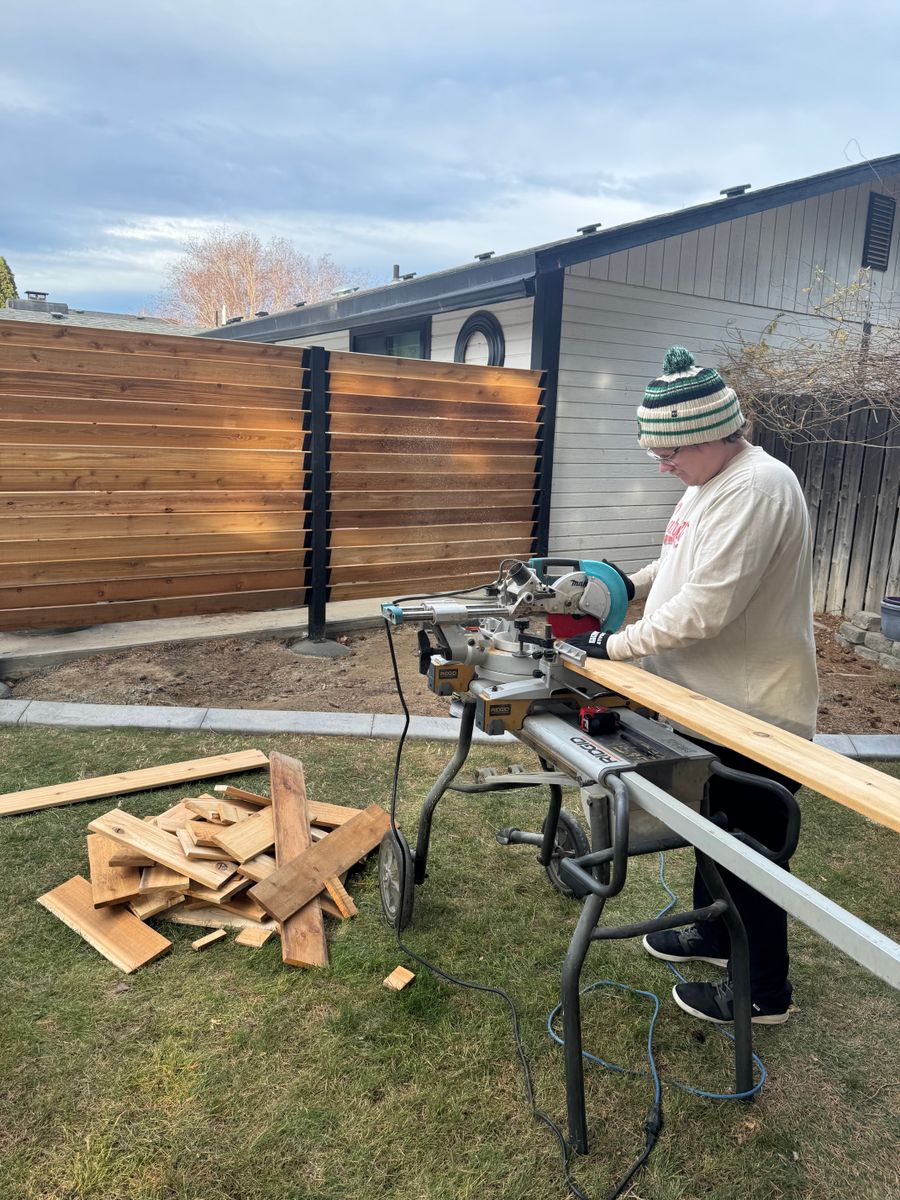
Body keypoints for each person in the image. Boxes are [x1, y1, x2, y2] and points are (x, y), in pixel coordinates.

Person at [567, 345, 818, 1026]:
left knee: (751, 857)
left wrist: (614, 646)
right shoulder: (711, 481)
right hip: (706, 703)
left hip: (754, 711)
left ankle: (765, 993)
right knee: (715, 828)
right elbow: (681, 558)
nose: (660, 464)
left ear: (713, 435)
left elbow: (706, 608)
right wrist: (630, 583)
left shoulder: (759, 489)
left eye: (669, 452)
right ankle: (713, 935)